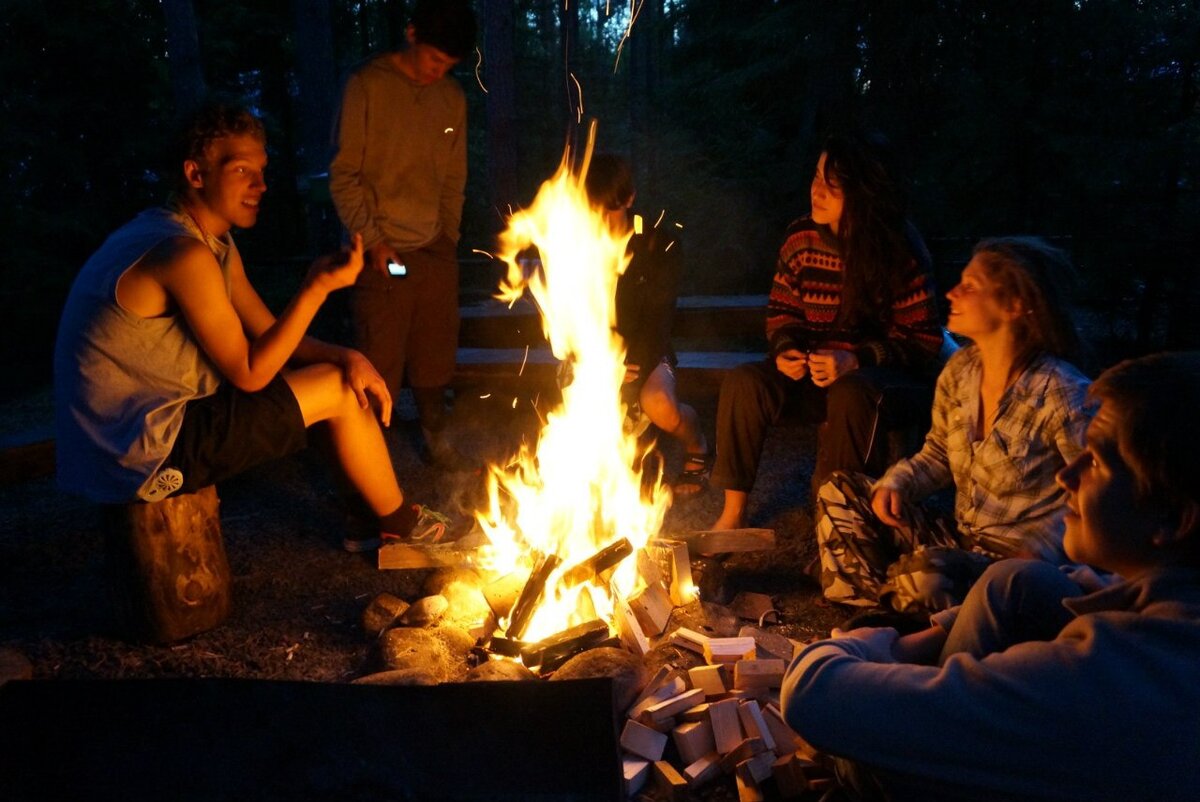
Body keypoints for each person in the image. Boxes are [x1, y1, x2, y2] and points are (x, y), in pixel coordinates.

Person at [781, 351, 1200, 802]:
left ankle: (890, 751)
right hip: (976, 548)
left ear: (1173, 518)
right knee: (1016, 581)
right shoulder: (962, 373)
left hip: (996, 552)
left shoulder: (1106, 679)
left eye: (1095, 462)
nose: (1066, 475)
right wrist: (924, 636)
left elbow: (811, 693)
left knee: (853, 736)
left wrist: (867, 643)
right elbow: (939, 454)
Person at [54, 103, 446, 554]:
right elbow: (250, 372)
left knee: (336, 375)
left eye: (262, 171)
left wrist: (348, 355)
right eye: (242, 170)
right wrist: (315, 289)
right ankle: (401, 527)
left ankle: (367, 519)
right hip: (139, 453)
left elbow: (268, 333)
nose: (260, 185)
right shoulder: (182, 254)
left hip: (139, 434)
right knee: (338, 388)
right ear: (195, 174)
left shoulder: (205, 240)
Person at [816, 237, 1093, 615]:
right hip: (961, 540)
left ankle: (914, 614)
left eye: (970, 285)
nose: (952, 292)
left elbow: (1096, 491)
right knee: (840, 490)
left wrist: (1039, 549)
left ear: (1015, 306)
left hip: (1021, 566)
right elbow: (939, 452)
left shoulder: (1062, 391)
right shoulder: (961, 371)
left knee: (927, 575)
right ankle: (879, 615)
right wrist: (899, 482)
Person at [708, 132, 945, 531]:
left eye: (831, 186)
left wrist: (857, 359)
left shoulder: (898, 248)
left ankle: (840, 525)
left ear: (863, 192)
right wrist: (787, 349)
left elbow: (923, 342)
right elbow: (782, 311)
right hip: (816, 375)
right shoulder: (801, 237)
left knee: (852, 392)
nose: (816, 191)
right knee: (744, 382)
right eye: (816, 177)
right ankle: (732, 515)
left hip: (883, 386)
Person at [329, 0, 477, 471]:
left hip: (433, 247)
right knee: (378, 364)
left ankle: (438, 444)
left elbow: (455, 177)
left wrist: (448, 235)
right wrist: (371, 240)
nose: (439, 73)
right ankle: (368, 471)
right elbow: (343, 174)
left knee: (435, 357)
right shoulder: (365, 86)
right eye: (435, 60)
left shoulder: (451, 99)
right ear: (412, 34)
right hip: (379, 250)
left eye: (449, 66)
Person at [582, 153, 710, 494]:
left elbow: (659, 317)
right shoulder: (580, 247)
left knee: (662, 408)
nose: (603, 221)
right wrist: (601, 360)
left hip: (648, 351)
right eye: (595, 211)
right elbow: (575, 315)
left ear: (629, 198)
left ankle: (697, 444)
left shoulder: (658, 245)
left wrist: (629, 361)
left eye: (611, 209)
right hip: (594, 354)